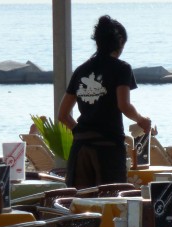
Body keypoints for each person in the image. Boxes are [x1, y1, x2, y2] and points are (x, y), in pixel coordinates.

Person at [58, 15, 152, 189]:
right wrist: (141, 120)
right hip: (108, 146)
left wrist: (80, 131)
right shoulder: (121, 68)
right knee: (111, 201)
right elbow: (123, 105)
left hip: (80, 148)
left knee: (81, 202)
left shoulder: (81, 71)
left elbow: (62, 115)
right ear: (120, 42)